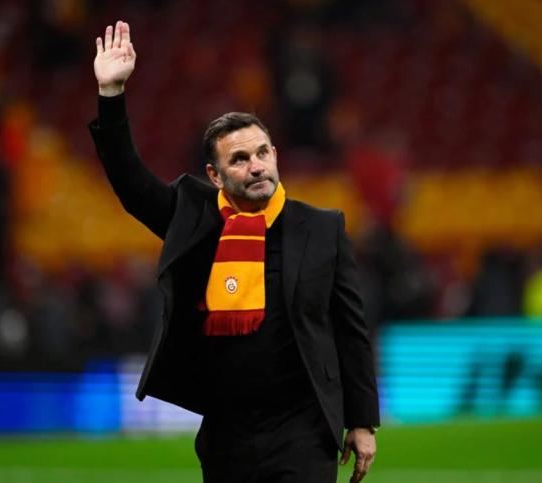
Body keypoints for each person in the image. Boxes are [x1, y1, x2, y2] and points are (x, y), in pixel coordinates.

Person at [88, 21, 379, 483]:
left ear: (276, 154)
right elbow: (130, 182)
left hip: (304, 429)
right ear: (215, 175)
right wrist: (111, 94)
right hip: (226, 431)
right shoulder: (194, 216)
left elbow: (351, 329)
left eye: (262, 153)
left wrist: (362, 420)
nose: (256, 166)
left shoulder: (323, 228)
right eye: (239, 160)